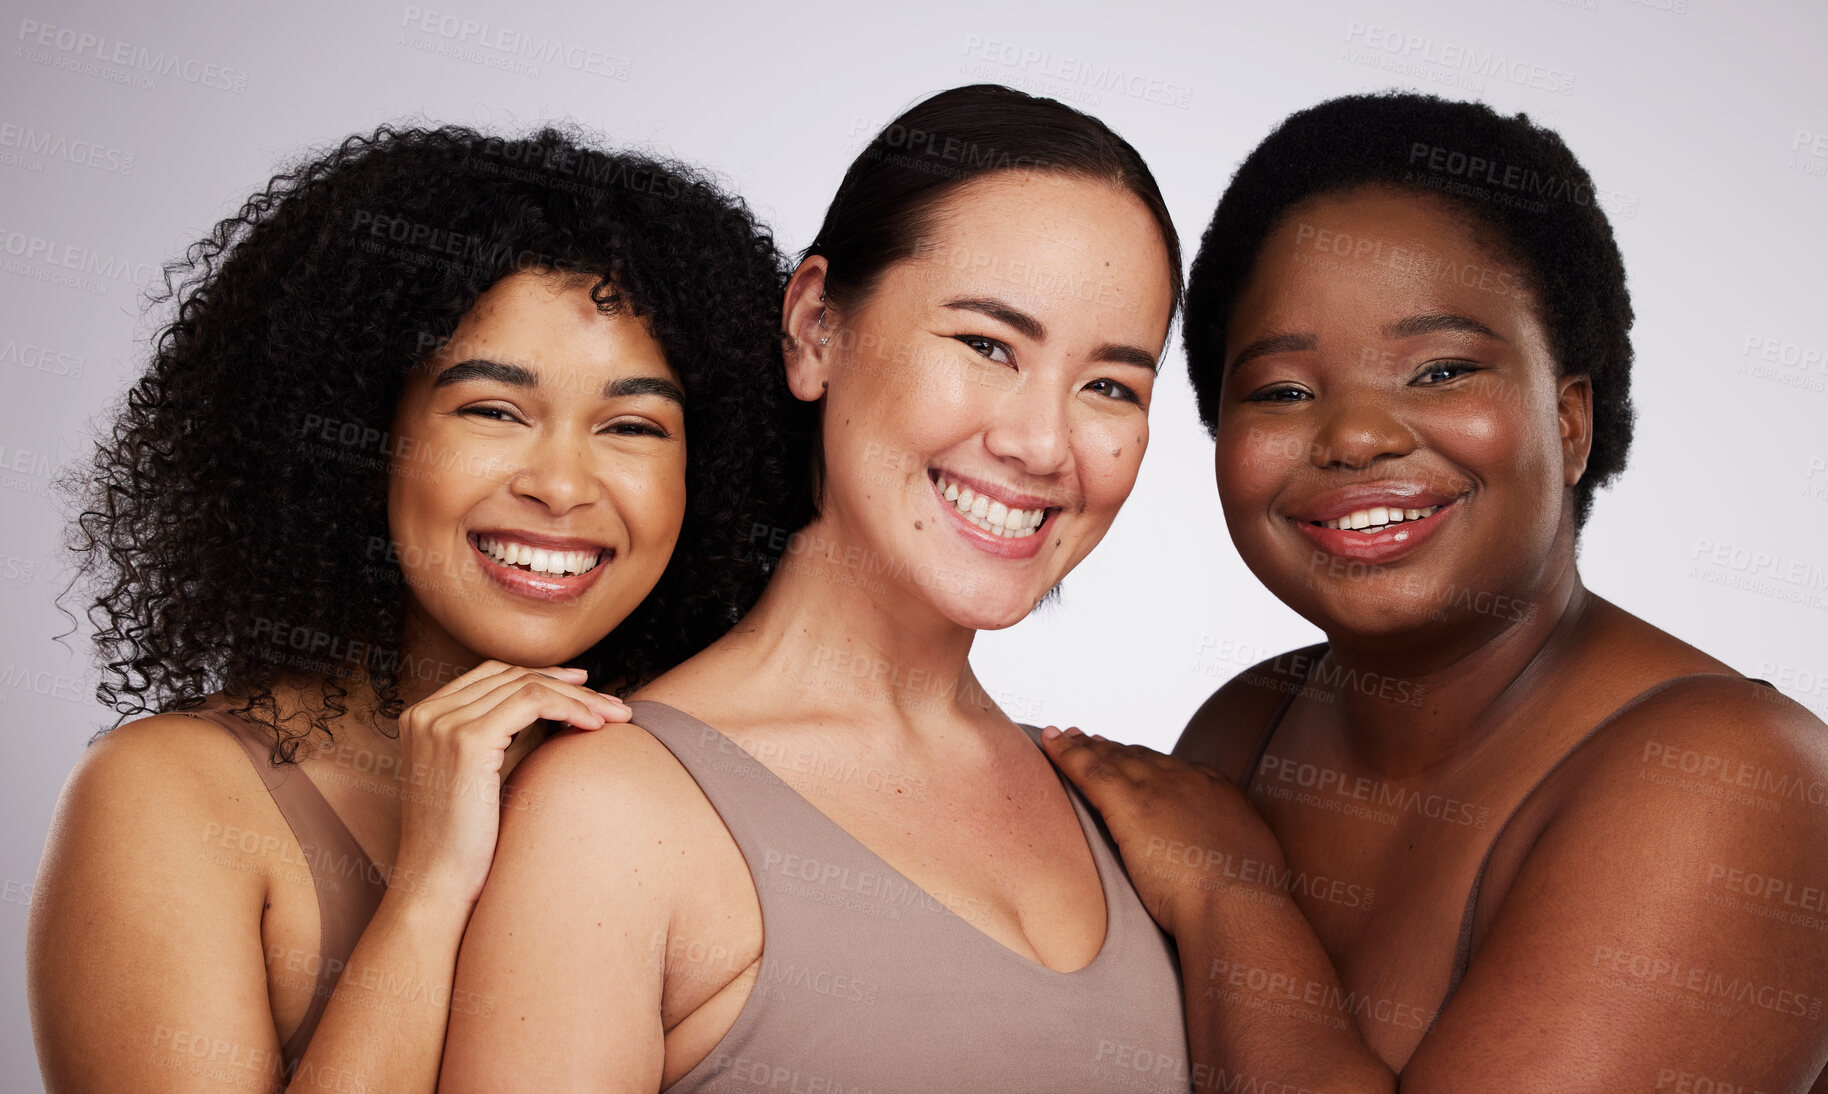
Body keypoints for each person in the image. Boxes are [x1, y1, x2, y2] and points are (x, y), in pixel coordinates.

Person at [1041, 91, 1828, 1092]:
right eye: (1282, 389)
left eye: (1441, 370)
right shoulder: (1244, 727)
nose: (1355, 434)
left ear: (1571, 420)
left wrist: (1228, 889)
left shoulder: (1733, 778)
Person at [440, 85, 1194, 1092]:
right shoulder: (612, 813)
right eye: (984, 345)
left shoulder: (1119, 815)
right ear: (813, 329)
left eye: (1110, 384)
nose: (1043, 443)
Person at [28, 124, 805, 1094]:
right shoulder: (173, 798)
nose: (562, 485)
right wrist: (429, 889)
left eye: (633, 425)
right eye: (492, 409)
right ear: (360, 444)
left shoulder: (715, 772)